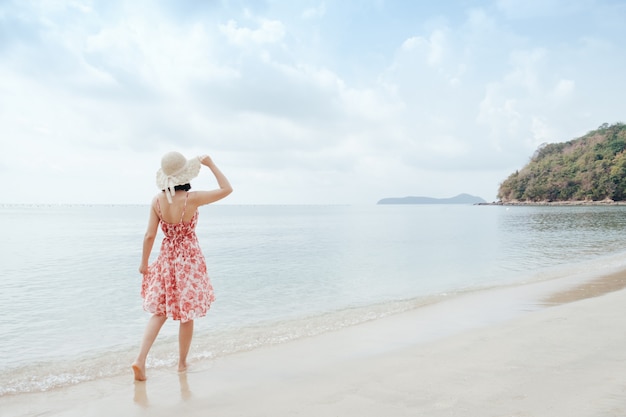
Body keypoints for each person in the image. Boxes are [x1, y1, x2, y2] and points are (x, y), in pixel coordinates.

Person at [132, 151, 232, 381]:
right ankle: (181, 363)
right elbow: (227, 189)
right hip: (188, 259)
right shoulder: (192, 198)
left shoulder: (157, 201)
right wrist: (211, 165)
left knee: (160, 312)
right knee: (187, 314)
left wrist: (144, 264)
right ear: (184, 175)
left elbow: (149, 235)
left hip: (167, 257)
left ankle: (140, 359)